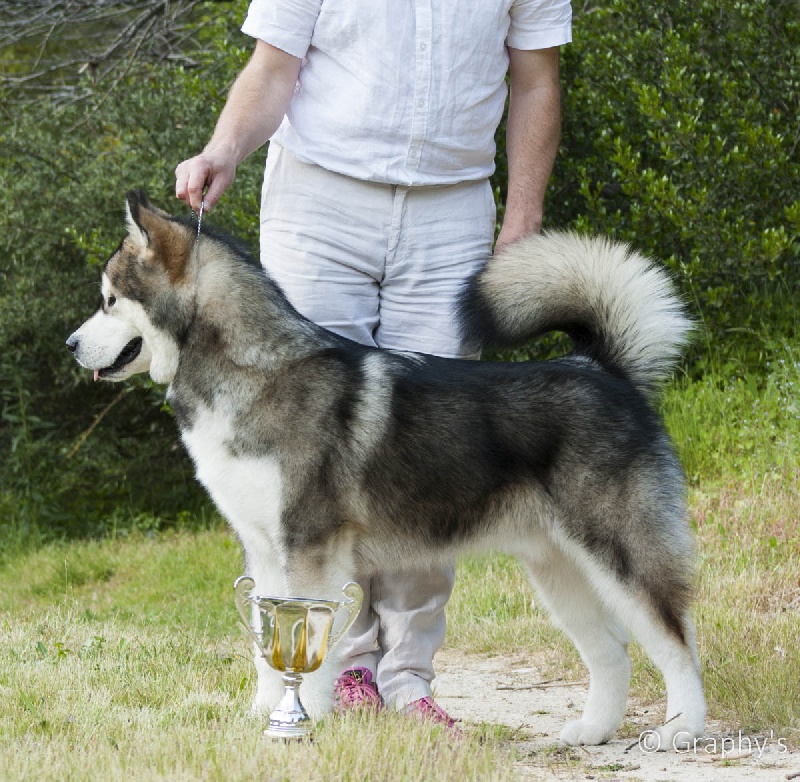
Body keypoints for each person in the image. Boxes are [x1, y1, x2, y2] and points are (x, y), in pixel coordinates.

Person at [176, 0, 571, 729]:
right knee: (307, 455)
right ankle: (328, 674)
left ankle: (408, 677)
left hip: (452, 209)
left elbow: (536, 78)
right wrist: (222, 149)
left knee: (432, 455)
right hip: (319, 201)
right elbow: (273, 67)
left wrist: (524, 218)